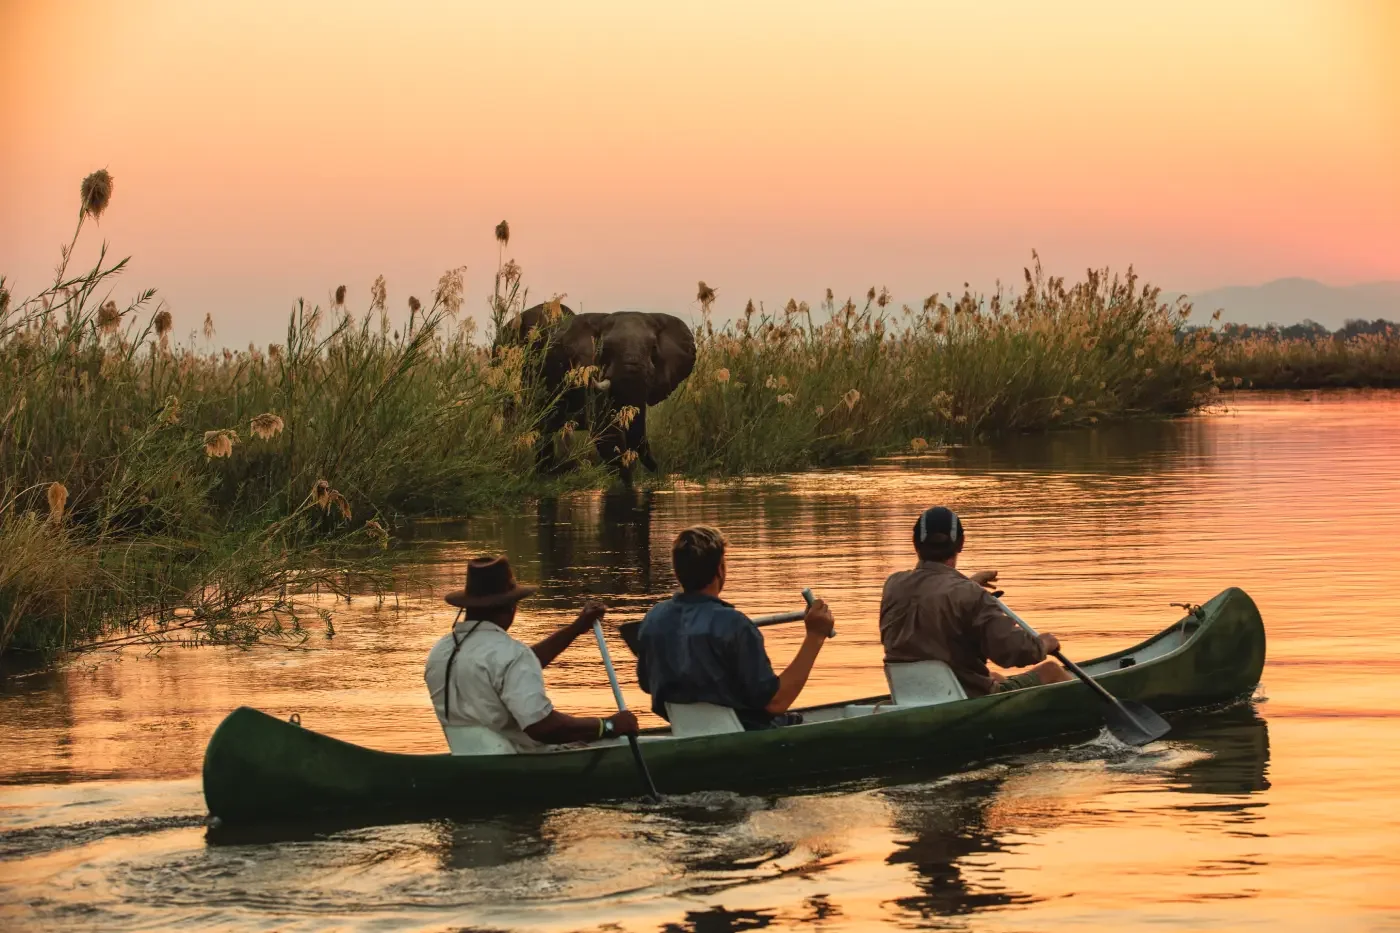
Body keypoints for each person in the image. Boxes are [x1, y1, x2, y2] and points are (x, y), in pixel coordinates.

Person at [425, 555, 639, 752]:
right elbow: (543, 727)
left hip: (467, 756)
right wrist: (608, 725)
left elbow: (514, 669)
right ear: (511, 607)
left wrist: (576, 629)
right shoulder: (511, 655)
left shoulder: (440, 651)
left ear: (467, 607)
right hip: (519, 759)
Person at [635, 525, 836, 730]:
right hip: (743, 733)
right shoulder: (735, 625)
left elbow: (646, 684)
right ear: (720, 569)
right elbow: (775, 702)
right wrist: (815, 635)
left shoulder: (654, 618)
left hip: (684, 730)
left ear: (678, 572)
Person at [880, 506, 1070, 697]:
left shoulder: (893, 585)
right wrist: (1043, 644)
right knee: (1052, 670)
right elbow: (1010, 651)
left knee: (994, 676)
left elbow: (933, 597)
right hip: (964, 697)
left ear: (915, 544)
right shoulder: (969, 594)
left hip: (911, 694)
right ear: (961, 543)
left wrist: (967, 584)